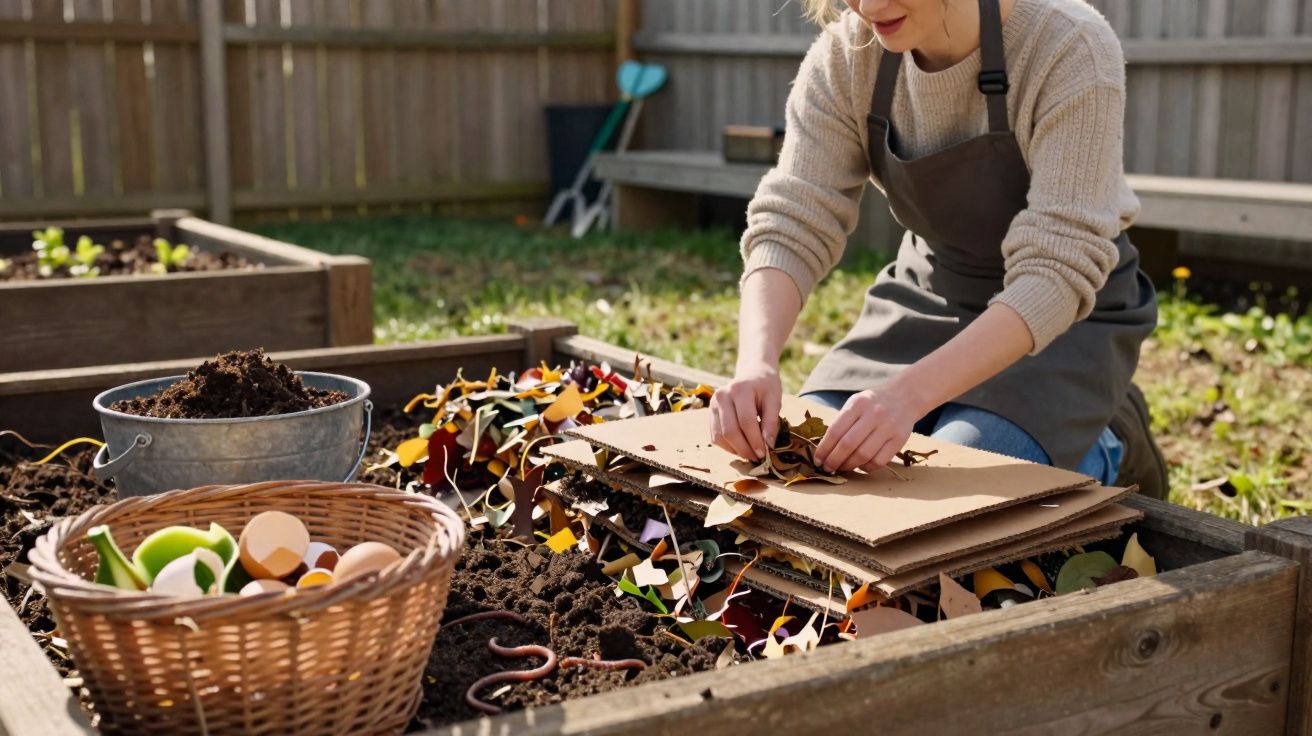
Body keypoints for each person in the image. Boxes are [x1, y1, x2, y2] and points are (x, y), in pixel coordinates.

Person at [708, 0, 1168, 498]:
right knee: (814, 464)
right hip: (931, 293)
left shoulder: (1069, 44)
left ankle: (1108, 436)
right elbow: (795, 216)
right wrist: (756, 362)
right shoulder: (848, 54)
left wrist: (907, 396)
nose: (870, 6)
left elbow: (1057, 270)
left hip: (1067, 321)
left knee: (947, 486)